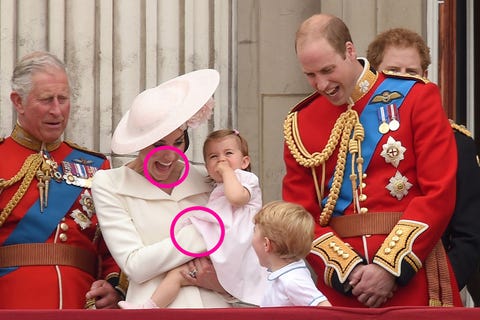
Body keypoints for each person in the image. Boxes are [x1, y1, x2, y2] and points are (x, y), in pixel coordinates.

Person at [282, 14, 462, 307]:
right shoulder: (300, 123)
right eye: (310, 75)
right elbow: (300, 217)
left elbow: (438, 192)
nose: (322, 84)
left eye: (328, 70)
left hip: (411, 275)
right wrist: (348, 271)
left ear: (350, 51)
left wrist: (388, 267)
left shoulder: (416, 97)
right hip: (344, 288)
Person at [91, 69, 233, 308]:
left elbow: (236, 260)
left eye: (178, 142)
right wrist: (207, 231)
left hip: (216, 308)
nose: (169, 155)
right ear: (139, 143)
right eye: (158, 144)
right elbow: (135, 265)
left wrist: (216, 281)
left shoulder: (208, 180)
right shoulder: (110, 184)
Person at [0, 51, 124, 309]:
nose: (57, 110)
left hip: (81, 303)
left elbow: (115, 242)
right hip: (11, 302)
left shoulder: (96, 166)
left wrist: (114, 286)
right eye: (46, 100)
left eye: (63, 99)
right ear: (18, 102)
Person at [366, 27, 480, 305]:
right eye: (393, 71)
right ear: (373, 75)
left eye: (412, 72)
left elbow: (469, 234)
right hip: (363, 286)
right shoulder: (355, 139)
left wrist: (438, 285)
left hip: (431, 291)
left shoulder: (456, 143)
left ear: (425, 78)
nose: (403, 80)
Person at [119, 129, 267, 309]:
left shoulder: (245, 178)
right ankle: (147, 307)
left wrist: (227, 172)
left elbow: (236, 198)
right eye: (213, 157)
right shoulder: (216, 185)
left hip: (236, 245)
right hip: (218, 249)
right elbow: (135, 266)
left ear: (245, 161)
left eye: (228, 153)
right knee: (177, 275)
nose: (221, 160)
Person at [252, 200, 331, 307]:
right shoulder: (286, 275)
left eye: (254, 231)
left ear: (266, 244)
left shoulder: (293, 280)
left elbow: (324, 309)